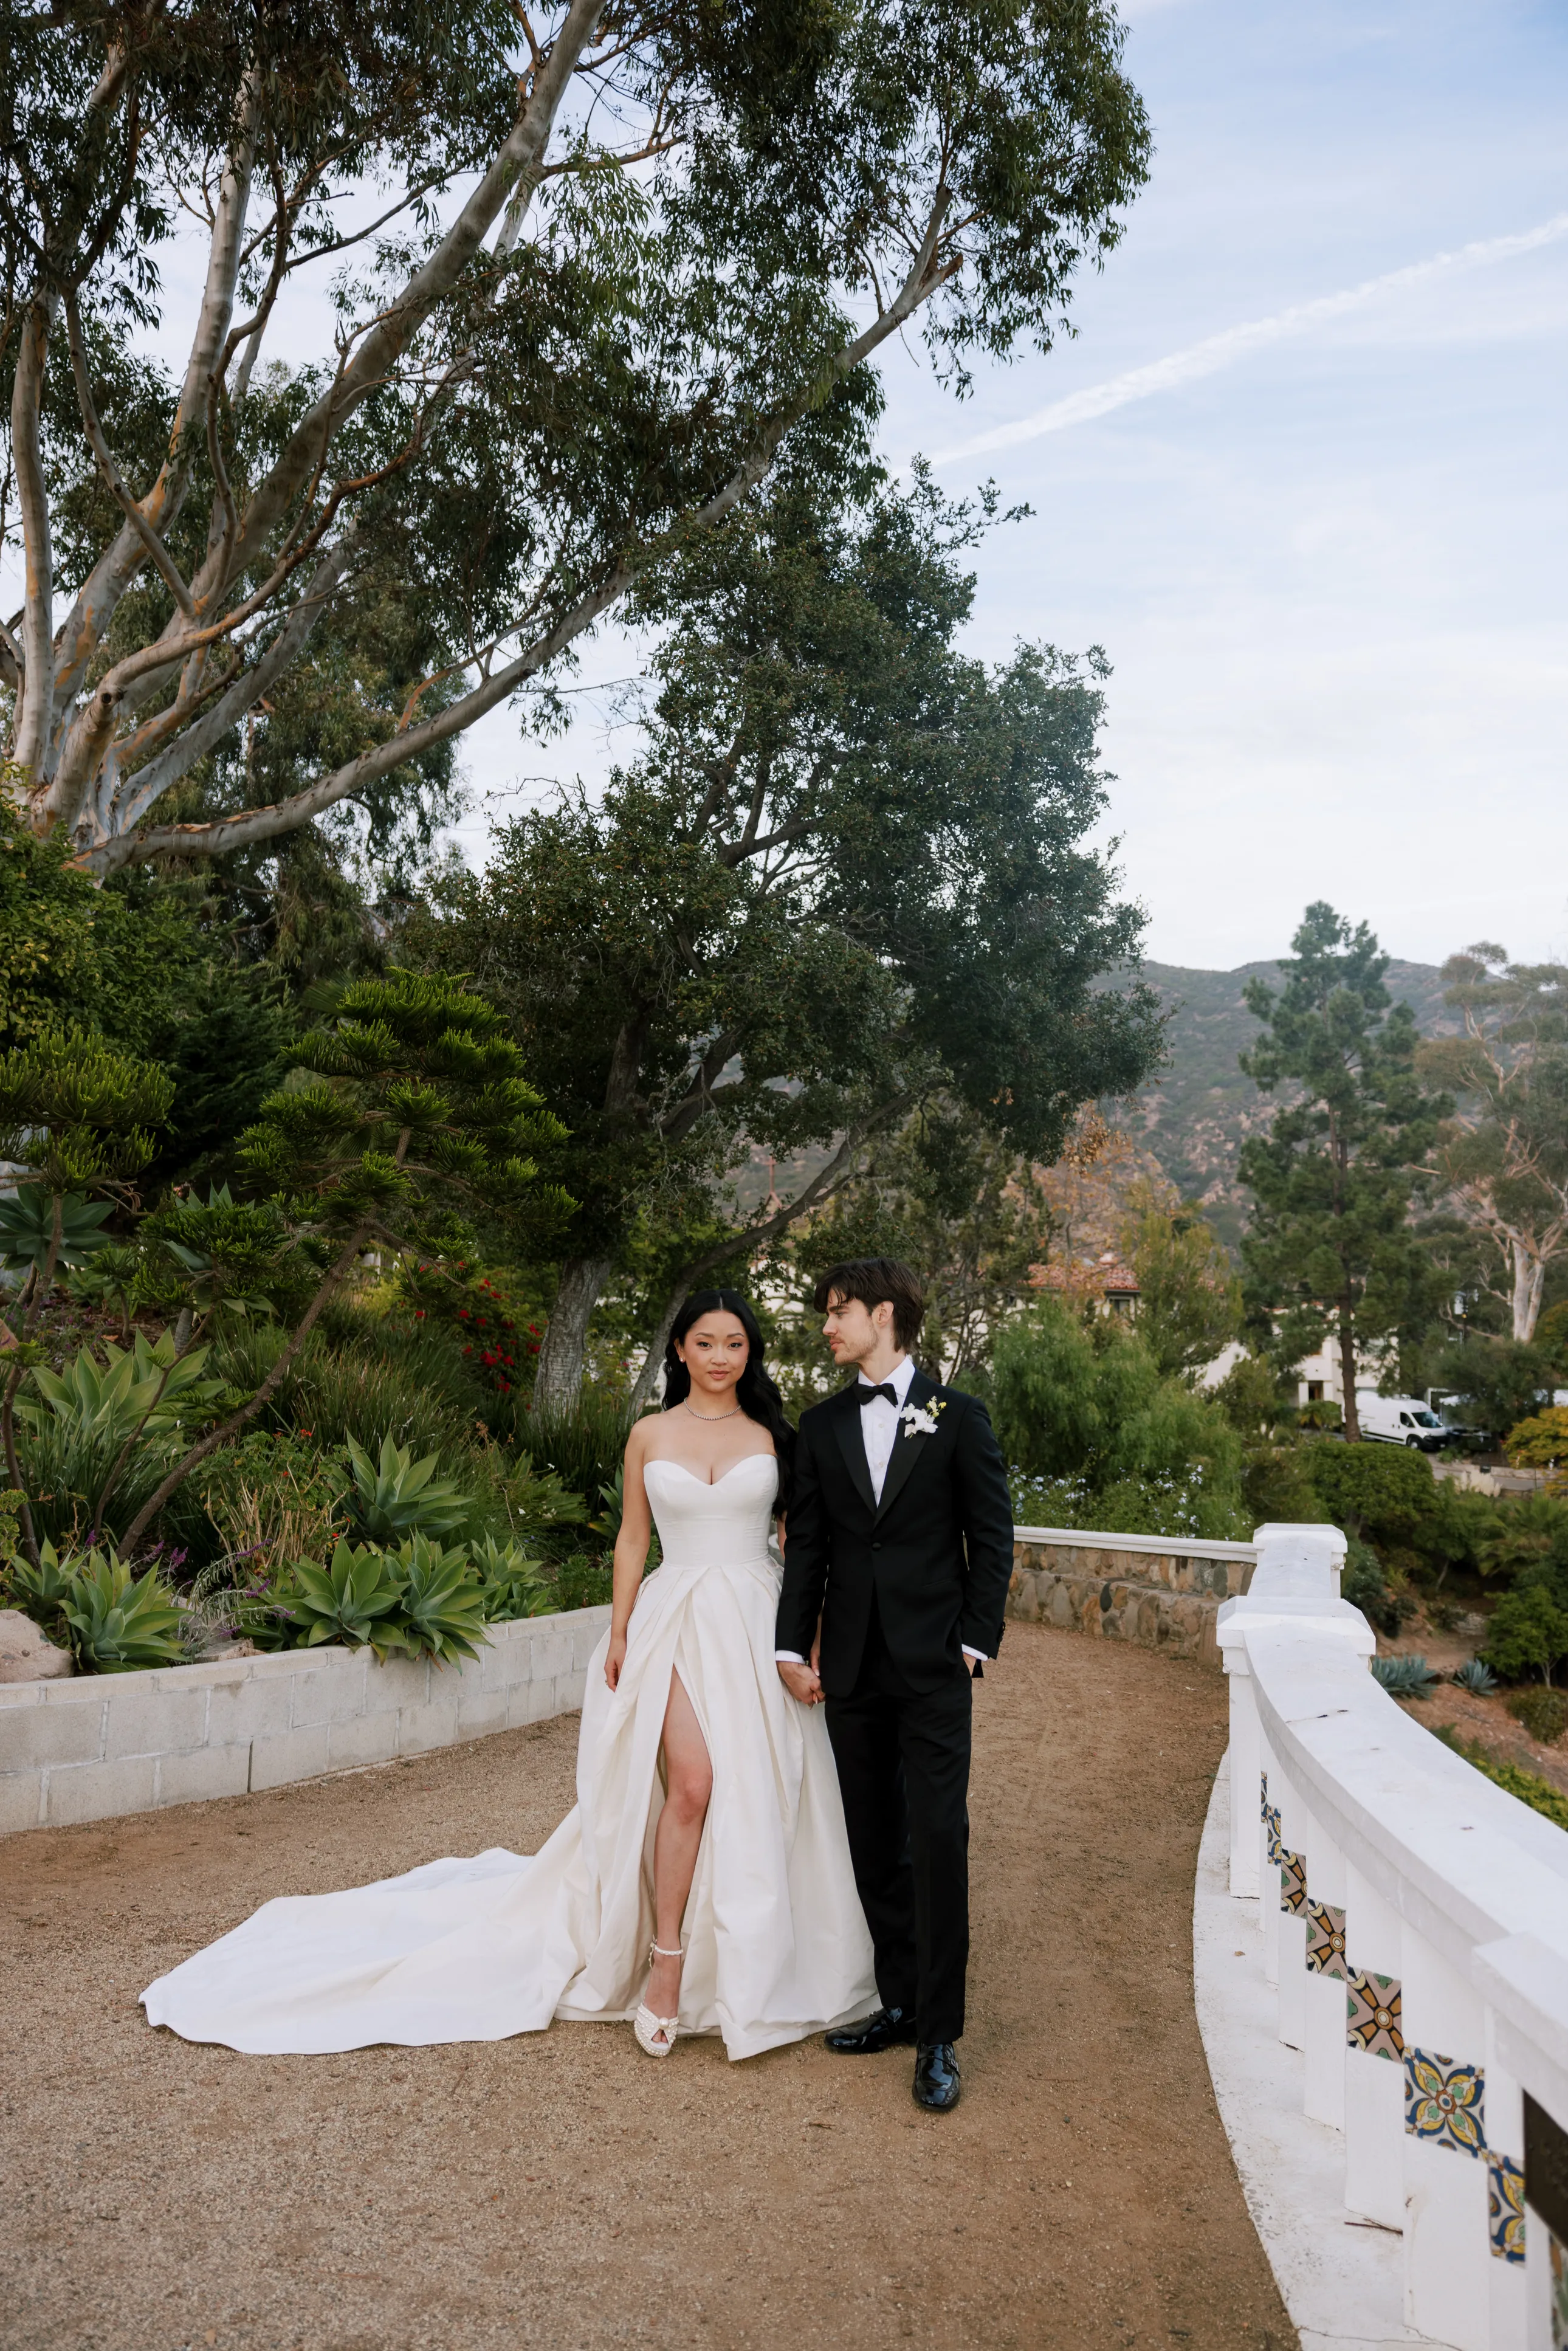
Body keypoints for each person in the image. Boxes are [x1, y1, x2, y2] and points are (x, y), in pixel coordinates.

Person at [140, 1290, 875, 2060]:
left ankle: (755, 1958)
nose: (721, 1357)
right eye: (705, 1342)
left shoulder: (778, 1436)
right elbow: (632, 1539)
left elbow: (803, 1548)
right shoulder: (649, 1433)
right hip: (676, 1622)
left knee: (762, 1789)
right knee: (691, 1784)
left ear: (749, 1353)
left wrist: (809, 1642)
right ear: (680, 1352)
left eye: (735, 1344)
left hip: (759, 1620)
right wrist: (619, 1629)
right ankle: (667, 1963)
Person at [774, 1258, 1014, 2112]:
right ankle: (902, 2003)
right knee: (876, 1842)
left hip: (934, 1668)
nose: (828, 1328)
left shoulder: (959, 1417)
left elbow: (992, 1537)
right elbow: (811, 1548)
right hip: (851, 1670)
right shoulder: (823, 1422)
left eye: (839, 1313)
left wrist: (976, 1642)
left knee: (939, 1838)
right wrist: (789, 1650)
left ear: (885, 1314)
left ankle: (941, 2036)